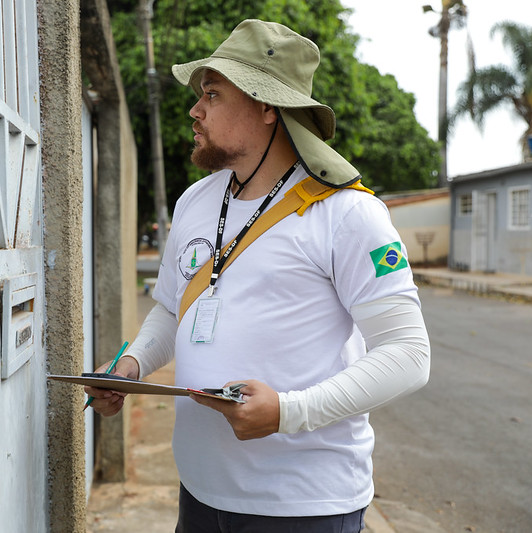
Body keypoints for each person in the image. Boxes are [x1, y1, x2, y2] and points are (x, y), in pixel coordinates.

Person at [85, 19, 430, 533]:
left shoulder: (347, 214)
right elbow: (171, 308)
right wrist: (132, 365)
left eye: (212, 94)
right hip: (200, 493)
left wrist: (287, 412)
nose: (195, 109)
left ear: (268, 106)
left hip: (304, 506)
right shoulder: (197, 200)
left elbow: (408, 354)